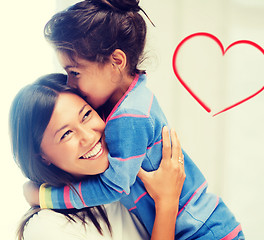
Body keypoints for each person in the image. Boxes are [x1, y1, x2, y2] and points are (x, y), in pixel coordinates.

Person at [25, 0, 245, 239]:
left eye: (75, 72)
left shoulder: (128, 117)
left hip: (203, 231)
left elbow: (113, 186)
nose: (70, 83)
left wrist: (45, 196)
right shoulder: (134, 95)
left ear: (116, 62)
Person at [10, 73, 186, 240]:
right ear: (42, 158)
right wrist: (167, 202)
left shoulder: (125, 173)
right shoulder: (47, 228)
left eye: (86, 115)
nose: (88, 136)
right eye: (66, 134)